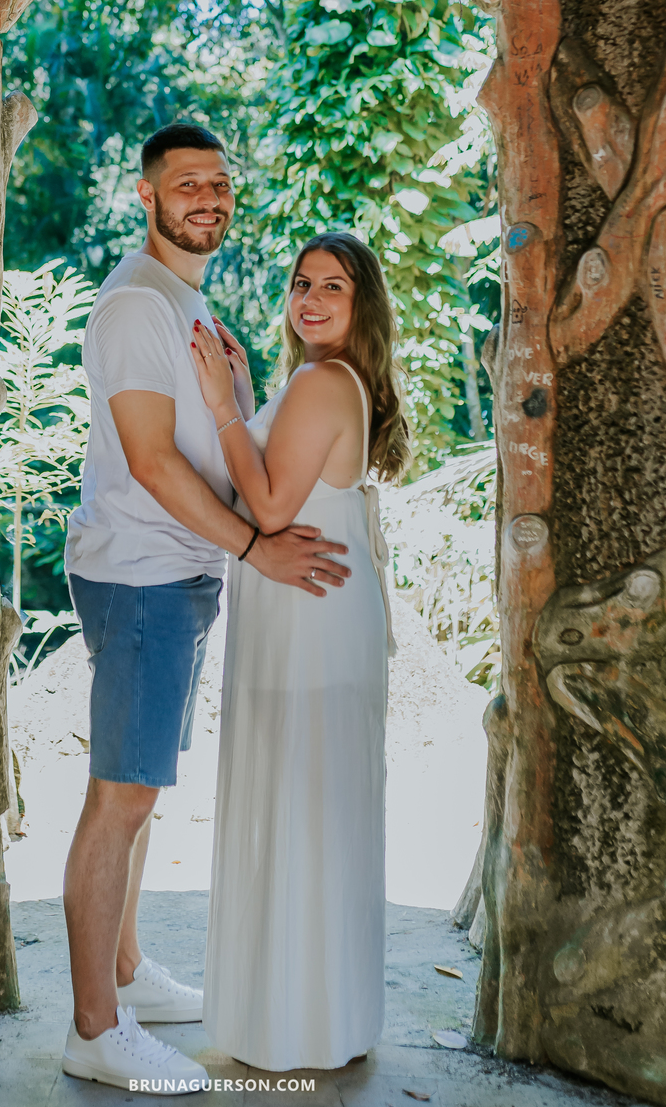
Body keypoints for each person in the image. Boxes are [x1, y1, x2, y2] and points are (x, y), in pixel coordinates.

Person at [60, 123, 352, 1091]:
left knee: (140, 794)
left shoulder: (181, 296)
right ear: (146, 196)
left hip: (172, 576)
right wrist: (253, 546)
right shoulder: (138, 304)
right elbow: (149, 458)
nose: (208, 198)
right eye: (187, 184)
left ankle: (130, 975)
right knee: (120, 798)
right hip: (144, 573)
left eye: (220, 183)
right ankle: (96, 1030)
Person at [190, 231, 407, 1072]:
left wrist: (219, 406)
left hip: (309, 627)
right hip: (316, 618)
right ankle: (319, 1015)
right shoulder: (319, 380)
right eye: (301, 283)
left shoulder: (322, 381)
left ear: (362, 308)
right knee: (315, 810)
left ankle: (290, 1023)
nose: (310, 299)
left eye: (333, 288)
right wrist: (246, 396)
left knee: (300, 803)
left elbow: (272, 506)